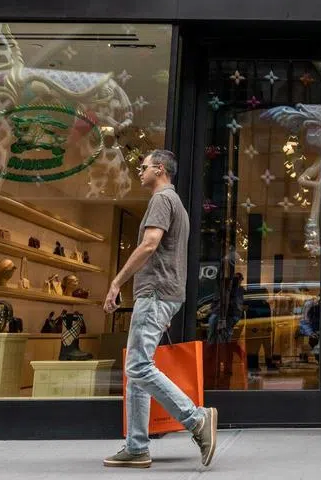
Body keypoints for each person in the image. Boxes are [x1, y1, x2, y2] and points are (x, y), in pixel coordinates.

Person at [103, 150, 218, 469]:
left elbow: (150, 243)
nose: (139, 171)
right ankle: (137, 446)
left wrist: (116, 282)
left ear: (161, 168)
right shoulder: (176, 203)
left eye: (144, 167)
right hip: (163, 292)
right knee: (137, 371)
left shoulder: (162, 199)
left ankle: (196, 419)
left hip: (155, 291)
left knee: (138, 366)